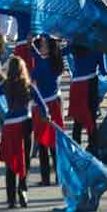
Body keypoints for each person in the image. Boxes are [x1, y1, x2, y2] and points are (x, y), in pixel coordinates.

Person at [0, 56, 48, 209]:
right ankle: (23, 190)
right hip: (25, 124)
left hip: (10, 126)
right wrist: (46, 118)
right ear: (23, 69)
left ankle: (11, 199)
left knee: (10, 162)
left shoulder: (5, 85)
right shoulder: (29, 86)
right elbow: (43, 107)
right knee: (25, 160)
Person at [30, 35, 64, 186]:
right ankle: (59, 175)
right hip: (55, 104)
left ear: (48, 48)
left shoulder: (43, 65)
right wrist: (31, 43)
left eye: (42, 44)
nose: (40, 46)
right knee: (54, 142)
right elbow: (37, 55)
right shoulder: (55, 61)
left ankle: (46, 178)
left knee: (43, 142)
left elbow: (32, 79)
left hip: (43, 106)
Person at [67, 43, 105, 151]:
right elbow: (103, 71)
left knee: (77, 119)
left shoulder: (74, 45)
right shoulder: (98, 48)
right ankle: (93, 148)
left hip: (76, 85)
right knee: (91, 117)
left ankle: (76, 149)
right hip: (90, 84)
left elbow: (60, 52)